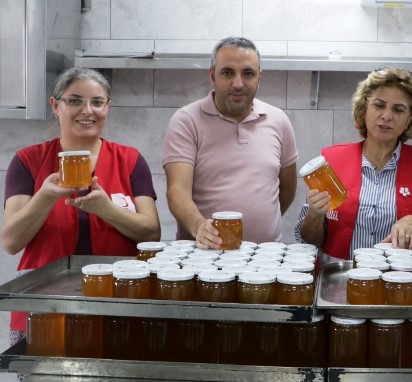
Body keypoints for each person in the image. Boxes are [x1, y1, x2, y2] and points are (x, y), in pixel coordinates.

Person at [1, 67, 160, 343]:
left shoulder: (130, 160)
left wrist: (106, 209)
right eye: (74, 100)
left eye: (97, 102)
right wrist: (46, 196)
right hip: (44, 310)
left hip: (119, 305)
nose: (87, 111)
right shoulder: (28, 161)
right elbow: (11, 240)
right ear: (55, 105)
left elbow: (151, 232)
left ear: (107, 107)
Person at [295, 68, 412, 260]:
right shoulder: (330, 162)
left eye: (398, 109)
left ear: (409, 120)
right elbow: (309, 241)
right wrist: (315, 214)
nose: (386, 116)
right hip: (341, 278)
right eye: (379, 105)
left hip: (402, 281)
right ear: (364, 110)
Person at [163, 37, 298, 248]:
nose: (238, 83)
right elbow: (177, 191)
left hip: (266, 257)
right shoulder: (186, 121)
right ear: (212, 76)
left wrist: (262, 220)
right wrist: (199, 227)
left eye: (248, 73)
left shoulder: (278, 120)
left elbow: (287, 189)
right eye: (227, 73)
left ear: (259, 77)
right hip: (204, 255)